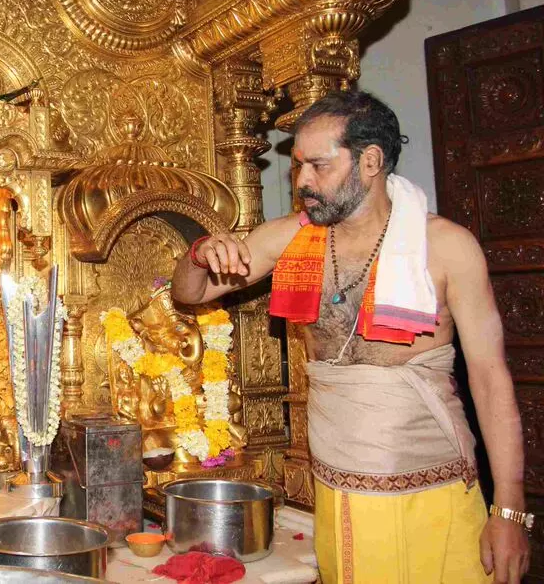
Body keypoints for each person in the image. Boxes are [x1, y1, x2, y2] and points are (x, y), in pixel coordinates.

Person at [172, 90, 531, 583]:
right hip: (338, 495)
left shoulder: (446, 247)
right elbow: (190, 294)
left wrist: (509, 512)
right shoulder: (292, 238)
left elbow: (491, 381)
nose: (302, 183)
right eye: (297, 167)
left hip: (436, 493)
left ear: (370, 161)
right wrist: (200, 254)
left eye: (318, 166)